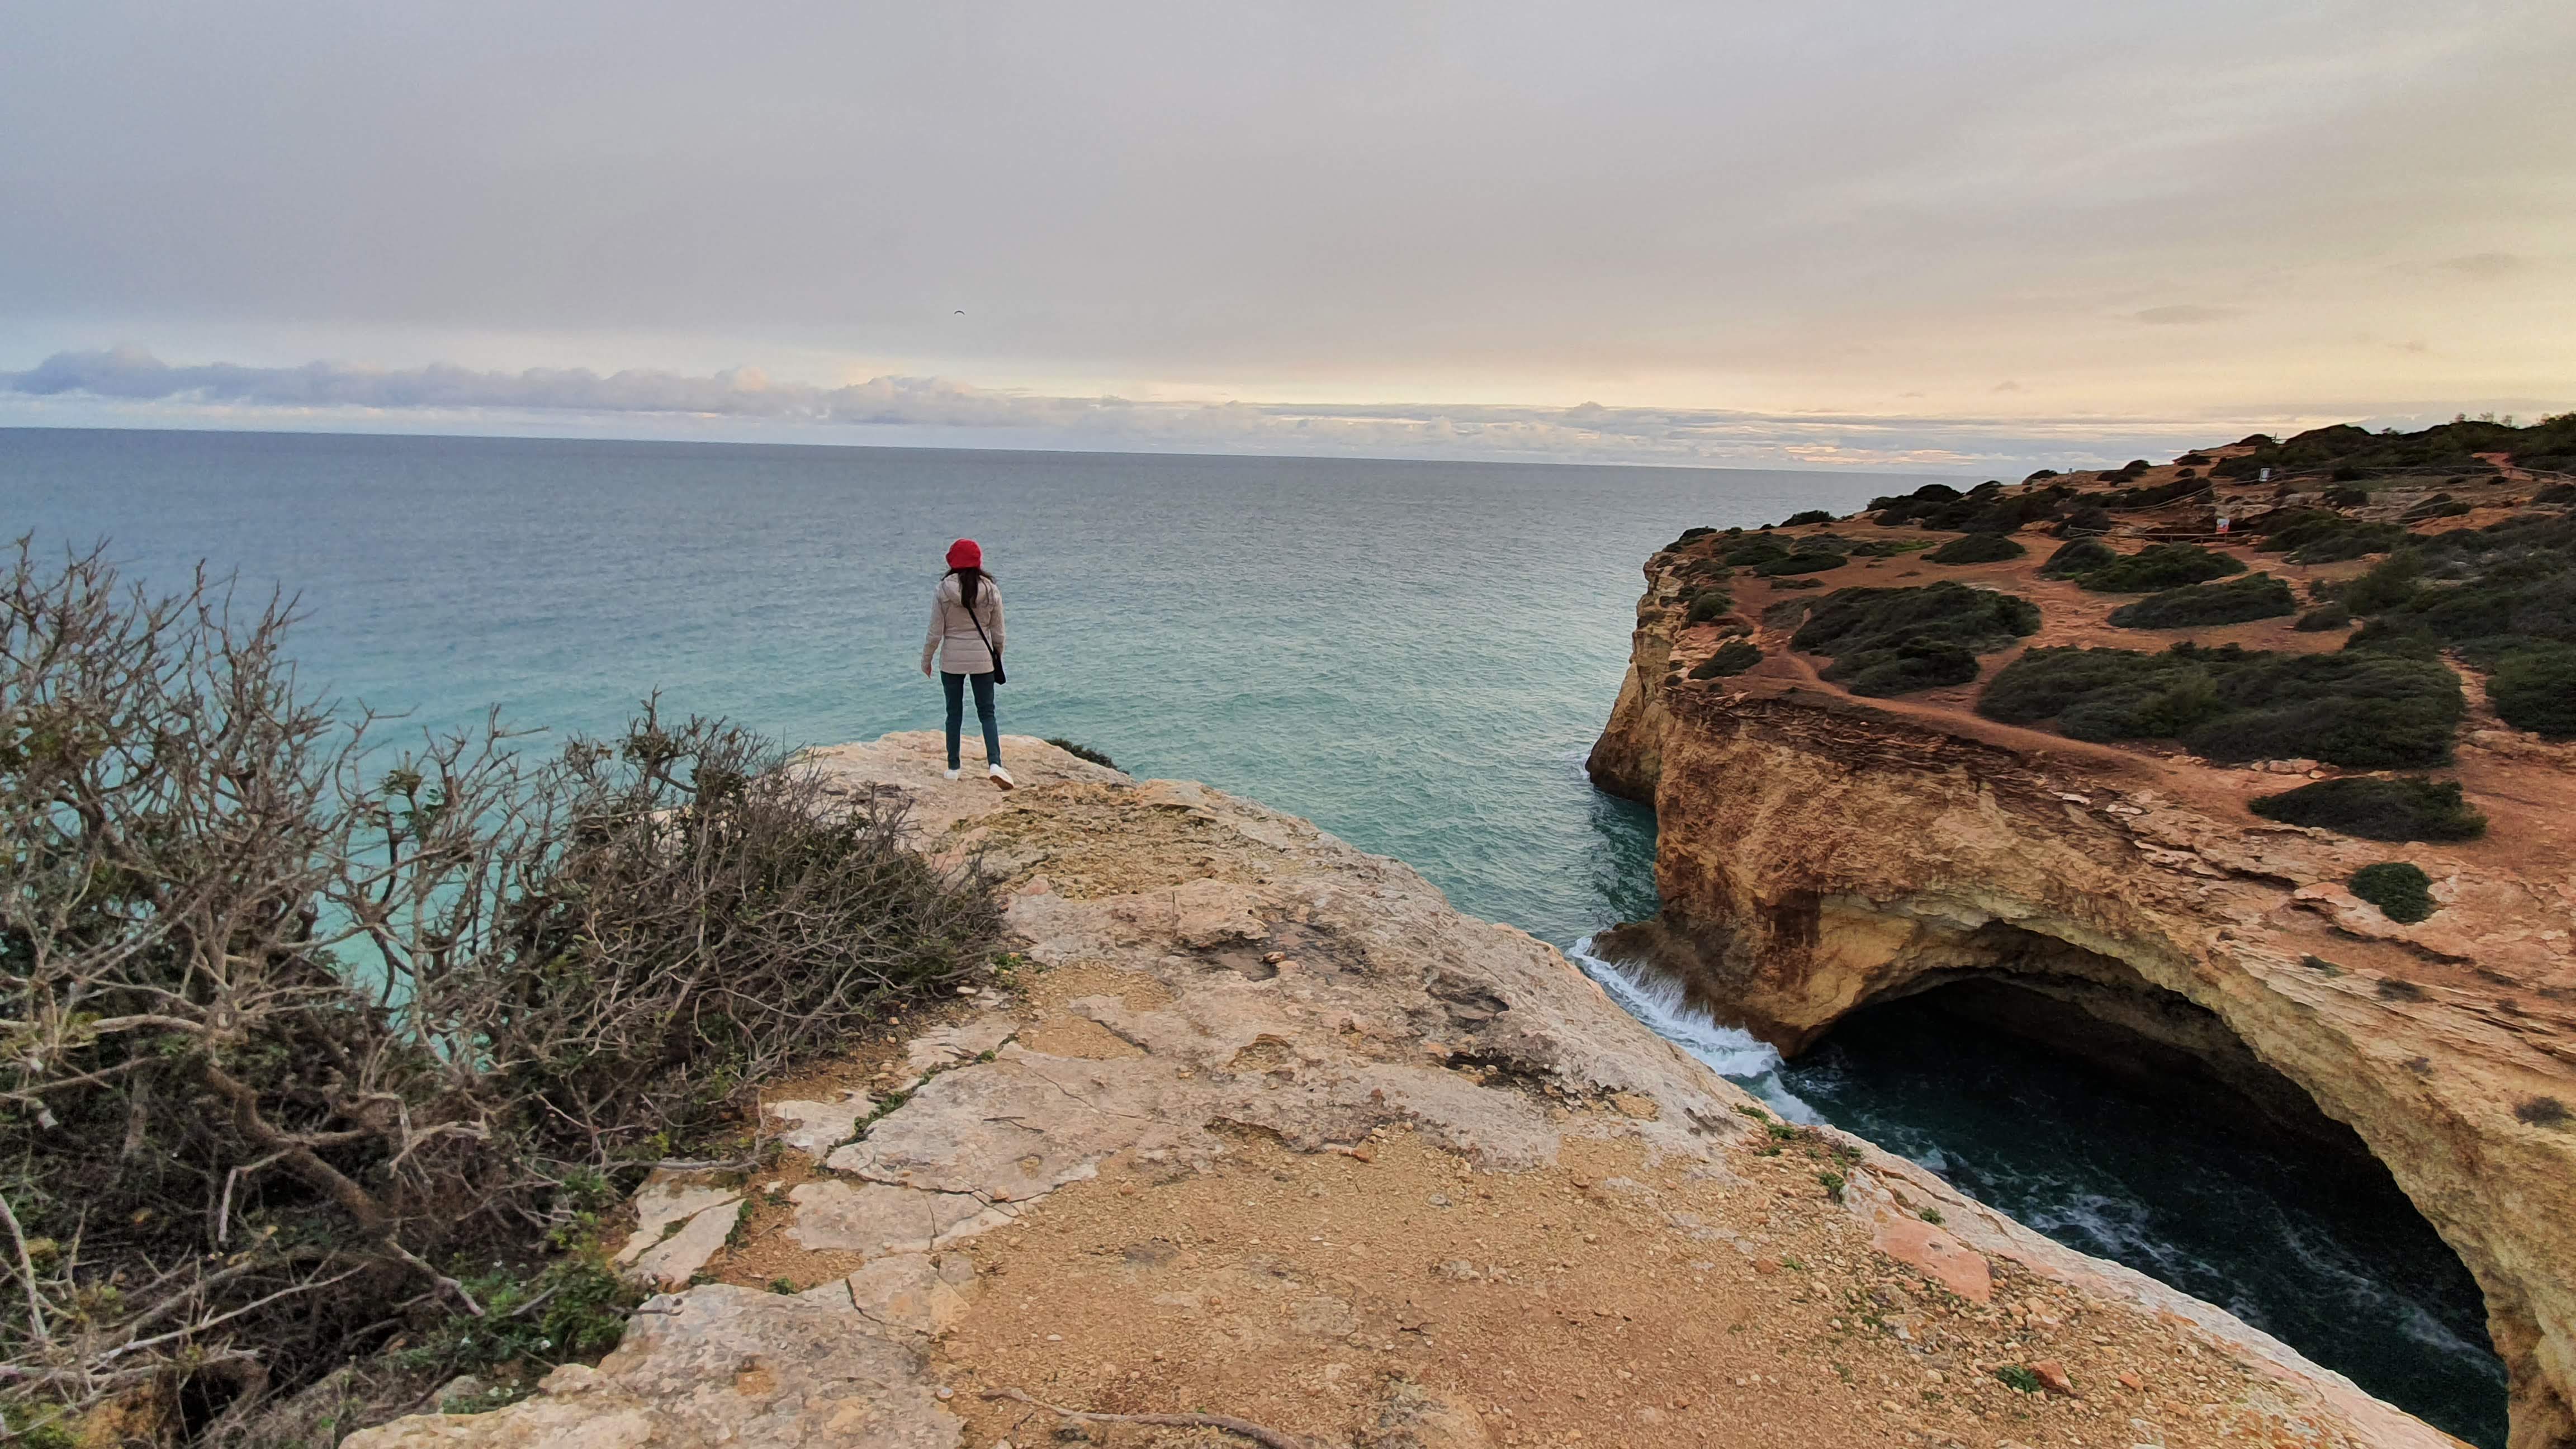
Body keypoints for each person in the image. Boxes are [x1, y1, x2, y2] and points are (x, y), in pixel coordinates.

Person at [921, 538, 1014, 788]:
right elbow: (999, 633)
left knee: (954, 714)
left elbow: (935, 632)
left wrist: (927, 659)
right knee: (987, 713)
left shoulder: (943, 590)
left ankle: (954, 767)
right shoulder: (991, 589)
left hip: (952, 660)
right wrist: (997, 656)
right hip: (983, 659)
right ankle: (995, 764)